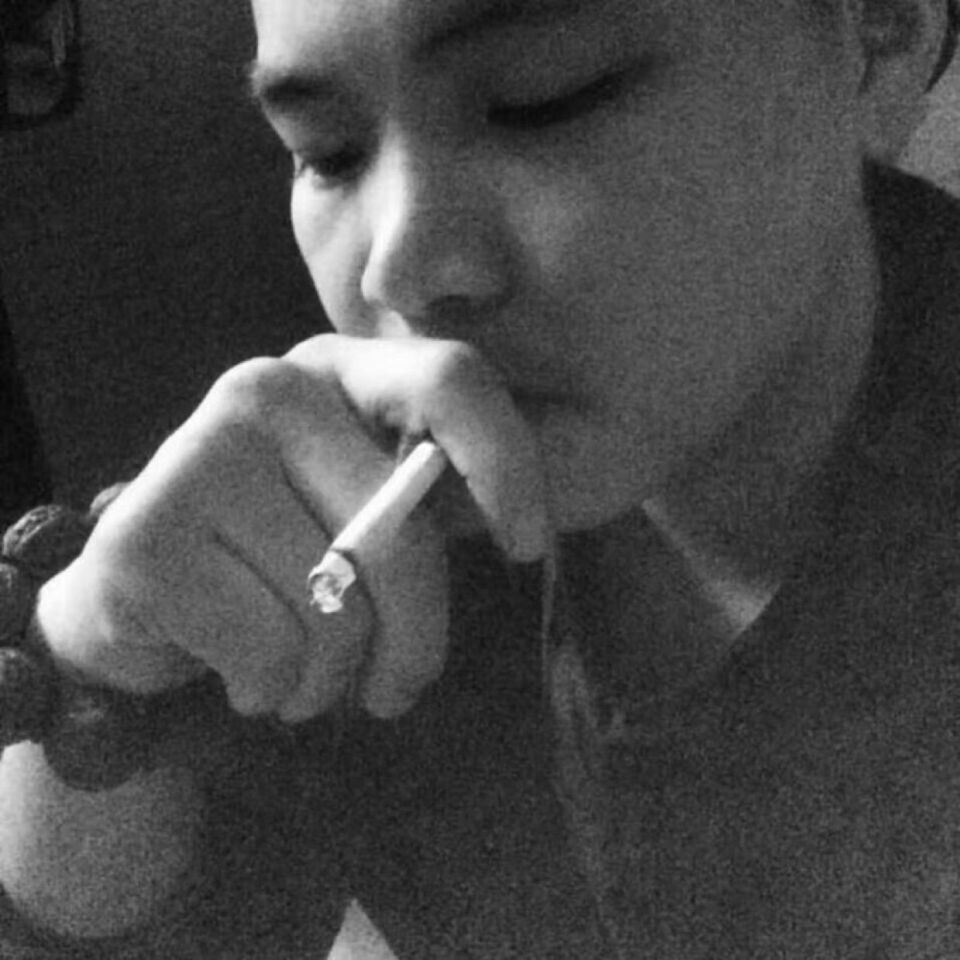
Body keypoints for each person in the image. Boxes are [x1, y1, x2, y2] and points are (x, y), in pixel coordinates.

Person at [1, 0, 960, 956]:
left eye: (541, 99)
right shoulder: (368, 521)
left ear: (882, 32)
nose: (398, 269)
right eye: (328, 153)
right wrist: (99, 648)